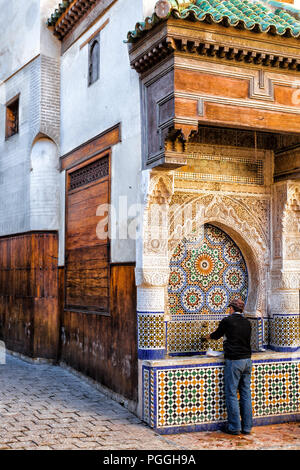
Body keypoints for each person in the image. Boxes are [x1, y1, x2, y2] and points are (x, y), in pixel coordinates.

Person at [203, 298, 253, 435]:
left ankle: (234, 427)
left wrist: (206, 337)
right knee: (245, 393)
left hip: (234, 361)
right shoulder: (247, 322)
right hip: (247, 360)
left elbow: (217, 335)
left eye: (229, 307)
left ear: (231, 308)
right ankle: (247, 427)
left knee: (231, 393)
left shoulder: (228, 320)